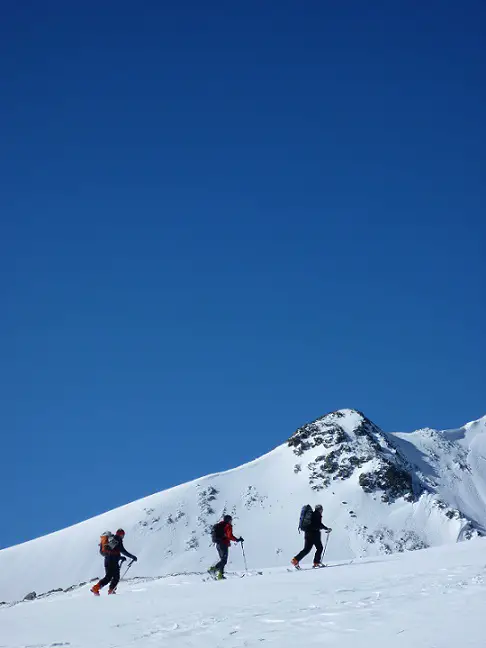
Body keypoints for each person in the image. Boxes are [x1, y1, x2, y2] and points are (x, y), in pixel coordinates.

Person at [90, 529, 137, 595]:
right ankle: (104, 589)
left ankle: (107, 589)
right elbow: (122, 550)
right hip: (112, 561)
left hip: (108, 559)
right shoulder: (117, 539)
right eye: (123, 535)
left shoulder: (113, 540)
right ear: (121, 534)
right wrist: (132, 556)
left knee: (110, 577)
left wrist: (120, 557)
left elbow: (111, 551)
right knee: (114, 577)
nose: (123, 537)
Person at [291, 504, 331, 569]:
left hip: (307, 533)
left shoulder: (313, 515)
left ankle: (295, 560)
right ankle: (316, 563)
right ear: (320, 509)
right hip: (314, 534)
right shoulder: (317, 515)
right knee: (319, 548)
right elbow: (318, 524)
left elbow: (317, 524)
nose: (322, 511)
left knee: (306, 549)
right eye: (321, 509)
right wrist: (326, 528)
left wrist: (325, 528)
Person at [208, 515, 244, 580]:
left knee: (222, 560)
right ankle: (213, 569)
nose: (231, 521)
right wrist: (237, 540)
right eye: (230, 520)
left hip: (218, 544)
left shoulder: (220, 525)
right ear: (228, 520)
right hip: (223, 544)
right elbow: (229, 536)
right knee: (224, 561)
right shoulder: (227, 526)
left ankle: (220, 575)